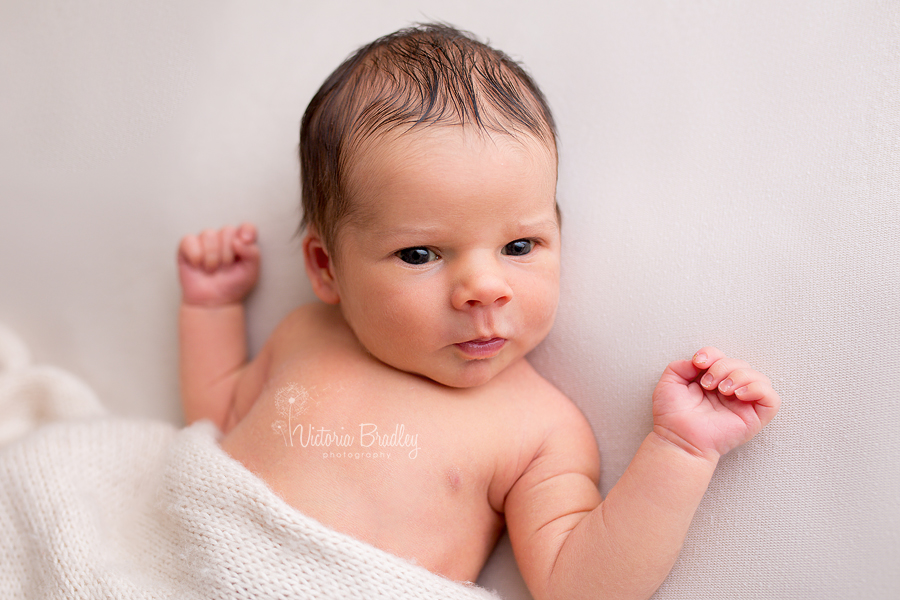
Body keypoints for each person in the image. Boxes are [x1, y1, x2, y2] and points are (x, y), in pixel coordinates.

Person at [176, 23, 780, 600]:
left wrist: (680, 450)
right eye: (420, 254)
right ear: (327, 269)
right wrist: (211, 308)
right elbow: (217, 415)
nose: (484, 289)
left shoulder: (539, 429)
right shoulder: (306, 333)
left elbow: (579, 585)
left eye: (519, 247)